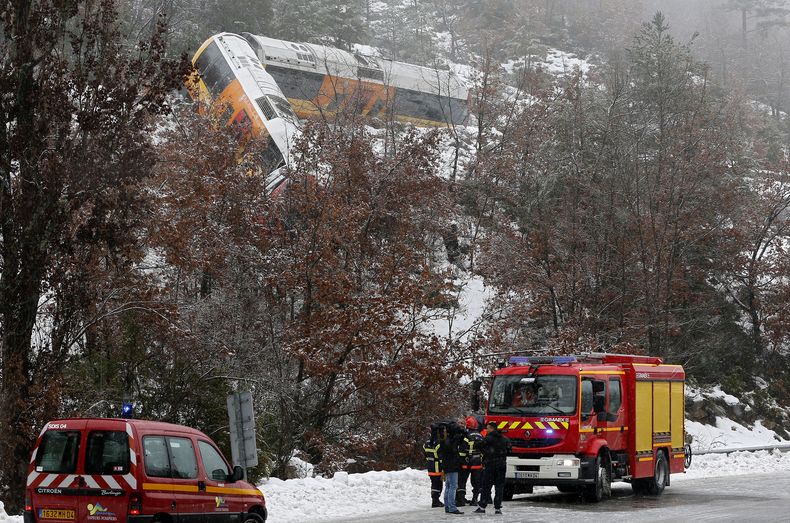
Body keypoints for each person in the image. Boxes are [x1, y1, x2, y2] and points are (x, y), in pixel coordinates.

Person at [475, 420, 512, 515]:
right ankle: (498, 508)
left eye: (487, 428)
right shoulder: (505, 439)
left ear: (492, 429)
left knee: (486, 486)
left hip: (490, 465)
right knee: (499, 487)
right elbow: (509, 450)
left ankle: (482, 506)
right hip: (502, 466)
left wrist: (487, 452)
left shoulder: (488, 438)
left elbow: (478, 446)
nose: (486, 430)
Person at [438, 420, 465, 515]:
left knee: (448, 486)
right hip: (453, 465)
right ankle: (452, 507)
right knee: (453, 486)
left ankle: (447, 506)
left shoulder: (444, 440)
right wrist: (461, 431)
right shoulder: (454, 440)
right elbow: (463, 437)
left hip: (447, 465)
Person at [457, 415, 483, 507]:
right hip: (477, 463)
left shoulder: (466, 436)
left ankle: (461, 500)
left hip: (466, 463)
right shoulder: (480, 435)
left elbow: (462, 451)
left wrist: (461, 461)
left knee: (462, 481)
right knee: (476, 482)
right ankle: (474, 499)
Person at [423, 422, 445, 508]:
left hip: (430, 466)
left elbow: (425, 454)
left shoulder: (427, 442)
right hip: (437, 467)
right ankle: (436, 501)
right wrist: (443, 467)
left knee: (434, 483)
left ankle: (435, 500)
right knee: (438, 484)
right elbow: (441, 457)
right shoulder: (438, 443)